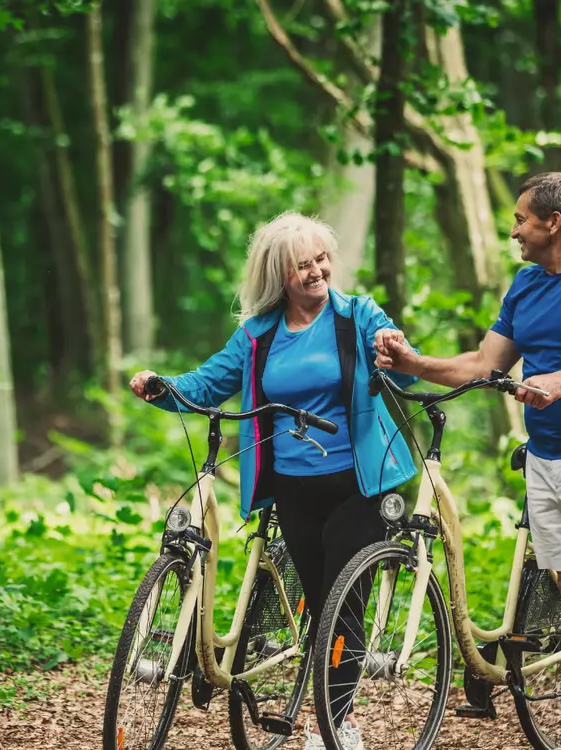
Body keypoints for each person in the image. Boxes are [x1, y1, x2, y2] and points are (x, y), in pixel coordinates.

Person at [375, 172, 561, 750]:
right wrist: (411, 361)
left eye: (522, 220)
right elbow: (482, 364)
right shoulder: (525, 287)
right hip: (548, 456)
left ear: (554, 222)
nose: (514, 231)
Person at [128, 211, 418, 750]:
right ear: (279, 275)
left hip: (360, 481)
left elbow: (401, 368)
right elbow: (209, 381)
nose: (316, 271)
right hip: (293, 487)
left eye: (321, 259)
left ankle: (337, 725)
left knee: (341, 600)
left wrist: (397, 354)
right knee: (317, 602)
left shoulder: (357, 316)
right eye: (301, 265)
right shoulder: (259, 334)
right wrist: (162, 387)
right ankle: (327, 708)